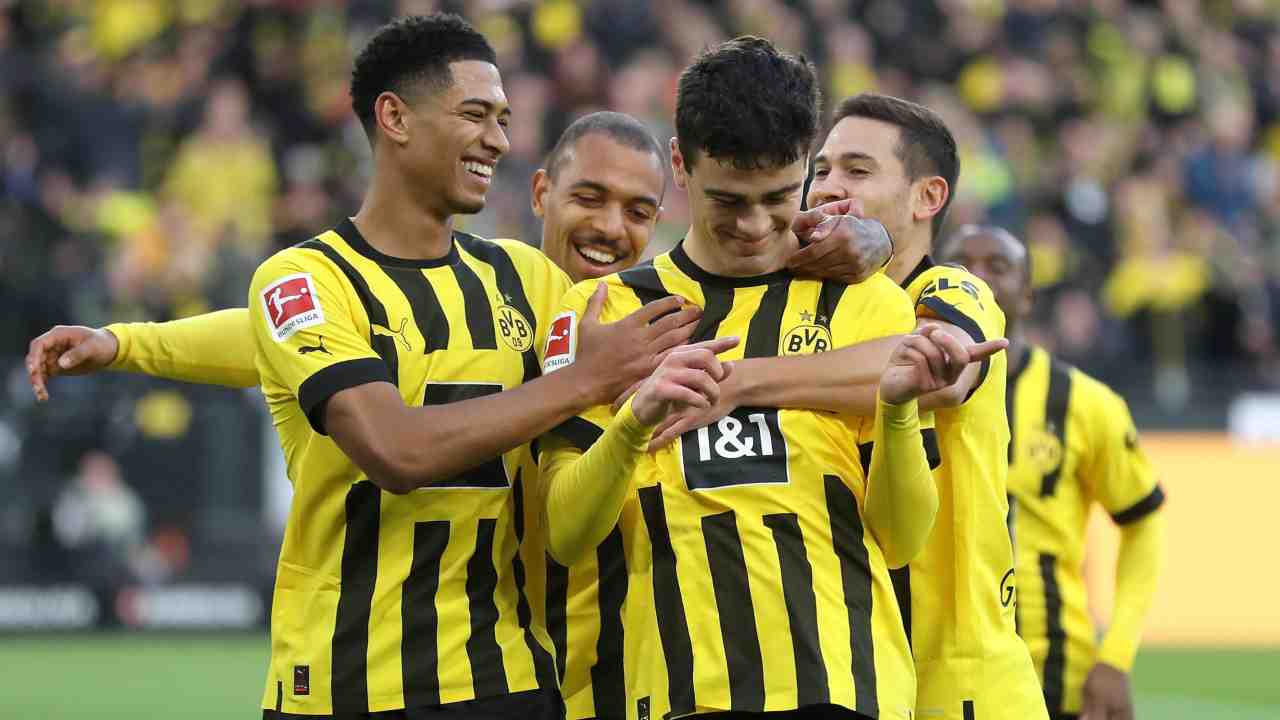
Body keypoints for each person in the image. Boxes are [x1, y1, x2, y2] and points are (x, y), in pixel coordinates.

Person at [37, 14, 727, 719]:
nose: (499, 138)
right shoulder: (304, 277)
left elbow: (717, 284)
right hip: (347, 682)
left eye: (504, 119)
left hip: (508, 677)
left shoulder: (525, 280)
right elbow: (391, 445)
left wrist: (821, 241)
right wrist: (581, 382)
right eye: (476, 115)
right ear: (394, 117)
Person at [539, 38, 1003, 720]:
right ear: (679, 164)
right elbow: (566, 533)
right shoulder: (605, 313)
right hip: (670, 692)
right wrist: (634, 423)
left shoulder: (868, 304)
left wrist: (899, 414)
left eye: (780, 196)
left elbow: (902, 540)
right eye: (728, 200)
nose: (755, 225)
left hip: (844, 690)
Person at [651, 93, 1049, 720]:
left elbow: (935, 372)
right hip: (852, 667)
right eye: (825, 168)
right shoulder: (812, 303)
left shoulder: (951, 287)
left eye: (858, 171)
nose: (831, 185)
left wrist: (738, 382)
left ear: (928, 197)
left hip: (958, 674)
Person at [939, 225, 1166, 720]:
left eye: (997, 267)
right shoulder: (898, 391)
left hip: (1056, 678)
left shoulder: (1085, 403)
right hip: (929, 673)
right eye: (959, 266)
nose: (978, 279)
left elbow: (1144, 523)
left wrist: (1117, 657)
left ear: (1027, 293)